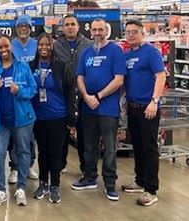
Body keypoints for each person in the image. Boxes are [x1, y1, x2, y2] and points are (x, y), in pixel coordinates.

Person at [71, 19, 126, 201]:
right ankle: (90, 177)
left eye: (100, 29)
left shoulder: (115, 51)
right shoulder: (86, 53)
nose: (97, 32)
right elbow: (79, 77)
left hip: (108, 109)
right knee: (89, 145)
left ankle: (110, 183)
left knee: (109, 148)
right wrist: (86, 96)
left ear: (106, 31)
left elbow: (119, 80)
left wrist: (99, 96)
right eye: (94, 29)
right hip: (88, 107)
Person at [0, 34, 37, 207]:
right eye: (0, 47)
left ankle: (21, 187)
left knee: (23, 152)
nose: (4, 50)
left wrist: (19, 90)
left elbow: (33, 89)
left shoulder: (23, 66)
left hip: (22, 118)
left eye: (6, 46)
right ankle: (0, 190)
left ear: (11, 46)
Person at [121, 20, 166, 206]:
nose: (130, 35)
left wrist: (154, 101)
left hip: (148, 108)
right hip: (133, 108)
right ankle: (140, 181)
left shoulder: (151, 52)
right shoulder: (126, 55)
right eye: (128, 32)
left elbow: (161, 76)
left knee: (149, 149)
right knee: (137, 146)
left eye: (134, 32)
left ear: (142, 33)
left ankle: (151, 189)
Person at [30, 33, 77, 203]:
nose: (44, 48)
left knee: (56, 153)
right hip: (39, 117)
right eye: (41, 45)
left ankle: (55, 186)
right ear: (37, 47)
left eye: (47, 44)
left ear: (52, 46)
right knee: (42, 152)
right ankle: (43, 183)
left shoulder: (62, 66)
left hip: (58, 116)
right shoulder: (31, 66)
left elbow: (71, 93)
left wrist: (71, 119)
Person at [54, 14, 92, 175]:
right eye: (66, 24)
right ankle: (61, 164)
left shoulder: (88, 45)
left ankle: (85, 167)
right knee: (62, 134)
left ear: (78, 26)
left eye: (72, 24)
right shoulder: (56, 45)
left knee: (84, 135)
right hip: (63, 95)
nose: (70, 27)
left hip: (84, 94)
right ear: (62, 28)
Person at [9, 14, 39, 182]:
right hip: (14, 96)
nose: (23, 29)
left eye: (26, 26)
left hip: (32, 95)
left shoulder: (36, 44)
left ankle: (28, 166)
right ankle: (14, 166)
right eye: (20, 26)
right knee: (15, 135)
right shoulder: (11, 45)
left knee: (29, 136)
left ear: (30, 28)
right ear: (16, 28)